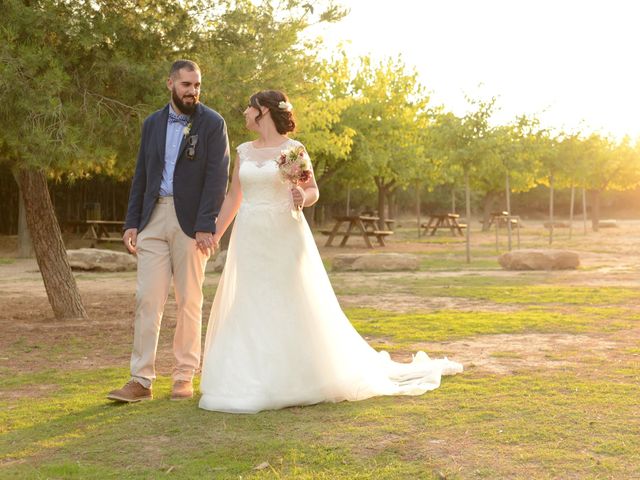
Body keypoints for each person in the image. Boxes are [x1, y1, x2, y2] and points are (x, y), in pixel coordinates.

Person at [198, 90, 462, 414]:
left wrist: (301, 196)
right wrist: (214, 235)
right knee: (250, 298)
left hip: (283, 235)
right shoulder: (244, 152)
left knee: (286, 299)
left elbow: (312, 190)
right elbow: (233, 197)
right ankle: (247, 377)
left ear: (263, 111)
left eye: (248, 108)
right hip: (250, 236)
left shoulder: (293, 151)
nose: (244, 113)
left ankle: (295, 377)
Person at [107, 60, 230, 403]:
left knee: (189, 300)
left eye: (197, 85)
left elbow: (217, 178)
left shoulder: (213, 123)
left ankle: (184, 375)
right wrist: (132, 221)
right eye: (186, 85)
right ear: (171, 84)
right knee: (148, 299)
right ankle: (140, 380)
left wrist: (207, 224)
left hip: (191, 223)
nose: (193, 91)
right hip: (152, 219)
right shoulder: (152, 124)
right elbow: (142, 175)